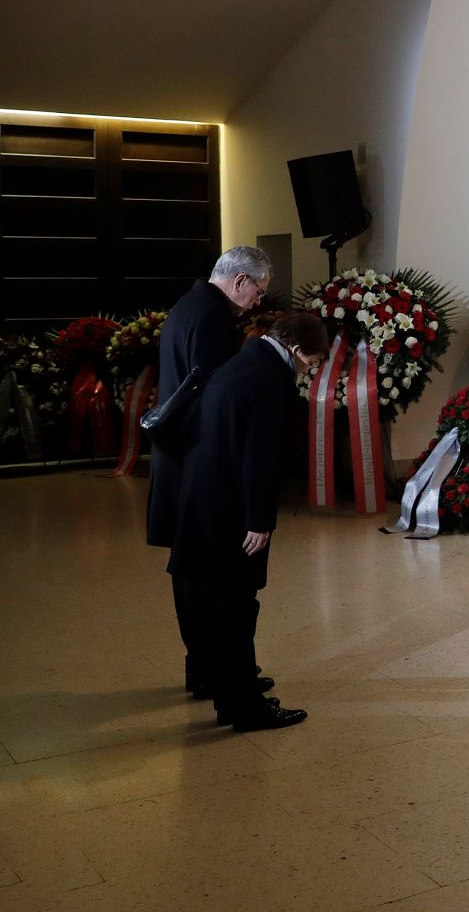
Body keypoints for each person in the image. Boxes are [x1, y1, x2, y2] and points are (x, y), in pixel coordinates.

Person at [171, 311, 327, 732]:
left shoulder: (244, 360)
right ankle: (244, 707)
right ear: (295, 348)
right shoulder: (269, 379)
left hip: (202, 502)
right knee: (237, 607)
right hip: (232, 512)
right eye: (310, 362)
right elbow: (260, 456)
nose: (307, 370)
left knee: (216, 608)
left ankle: (228, 689)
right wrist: (259, 521)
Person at [149, 246, 272, 701]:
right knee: (208, 577)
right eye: (258, 289)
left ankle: (204, 667)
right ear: (240, 281)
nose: (258, 300)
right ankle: (220, 672)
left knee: (191, 573)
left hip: (178, 456)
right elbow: (220, 397)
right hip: (198, 460)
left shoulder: (190, 304)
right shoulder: (216, 317)